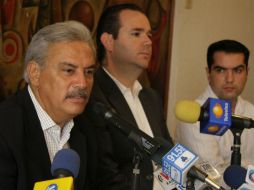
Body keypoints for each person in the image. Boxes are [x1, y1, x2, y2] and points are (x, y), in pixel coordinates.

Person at [84, 3, 173, 190]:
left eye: (149, 34)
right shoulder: (93, 97)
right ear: (108, 41)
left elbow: (169, 156)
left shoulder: (151, 98)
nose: (148, 42)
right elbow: (104, 176)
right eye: (136, 34)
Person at [0, 21, 97, 190]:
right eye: (69, 70)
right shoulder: (5, 129)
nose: (82, 83)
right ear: (35, 73)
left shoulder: (89, 124)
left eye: (88, 72)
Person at [176, 39, 254, 187]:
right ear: (208, 73)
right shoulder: (195, 115)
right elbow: (214, 177)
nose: (230, 79)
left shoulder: (251, 111)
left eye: (237, 70)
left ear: (247, 72)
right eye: (221, 70)